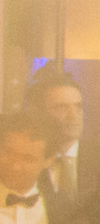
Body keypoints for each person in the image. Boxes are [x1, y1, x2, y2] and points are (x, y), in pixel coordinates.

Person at [29, 69, 84, 201]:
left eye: (78, 107)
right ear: (39, 113)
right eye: (62, 108)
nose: (73, 116)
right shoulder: (25, 159)